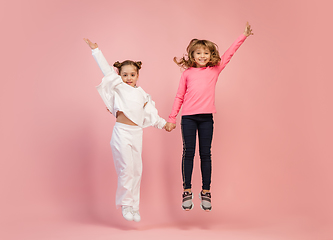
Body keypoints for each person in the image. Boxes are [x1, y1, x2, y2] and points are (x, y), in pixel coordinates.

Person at [165, 22, 253, 212]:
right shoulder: (187, 73)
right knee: (188, 153)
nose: (202, 56)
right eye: (198, 53)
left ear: (211, 55)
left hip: (206, 119)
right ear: (192, 56)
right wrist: (172, 118)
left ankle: (206, 191)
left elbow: (230, 53)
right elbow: (179, 96)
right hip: (188, 118)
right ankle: (187, 190)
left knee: (206, 154)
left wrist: (243, 36)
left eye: (206, 53)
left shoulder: (214, 70)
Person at [84, 38, 168, 222]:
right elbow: (106, 70)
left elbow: (151, 113)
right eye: (125, 75)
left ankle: (134, 207)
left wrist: (163, 124)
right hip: (121, 132)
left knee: (137, 169)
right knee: (126, 169)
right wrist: (96, 50)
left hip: (137, 134)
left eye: (132, 75)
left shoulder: (142, 94)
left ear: (138, 75)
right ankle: (125, 205)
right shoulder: (120, 87)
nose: (129, 78)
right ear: (120, 76)